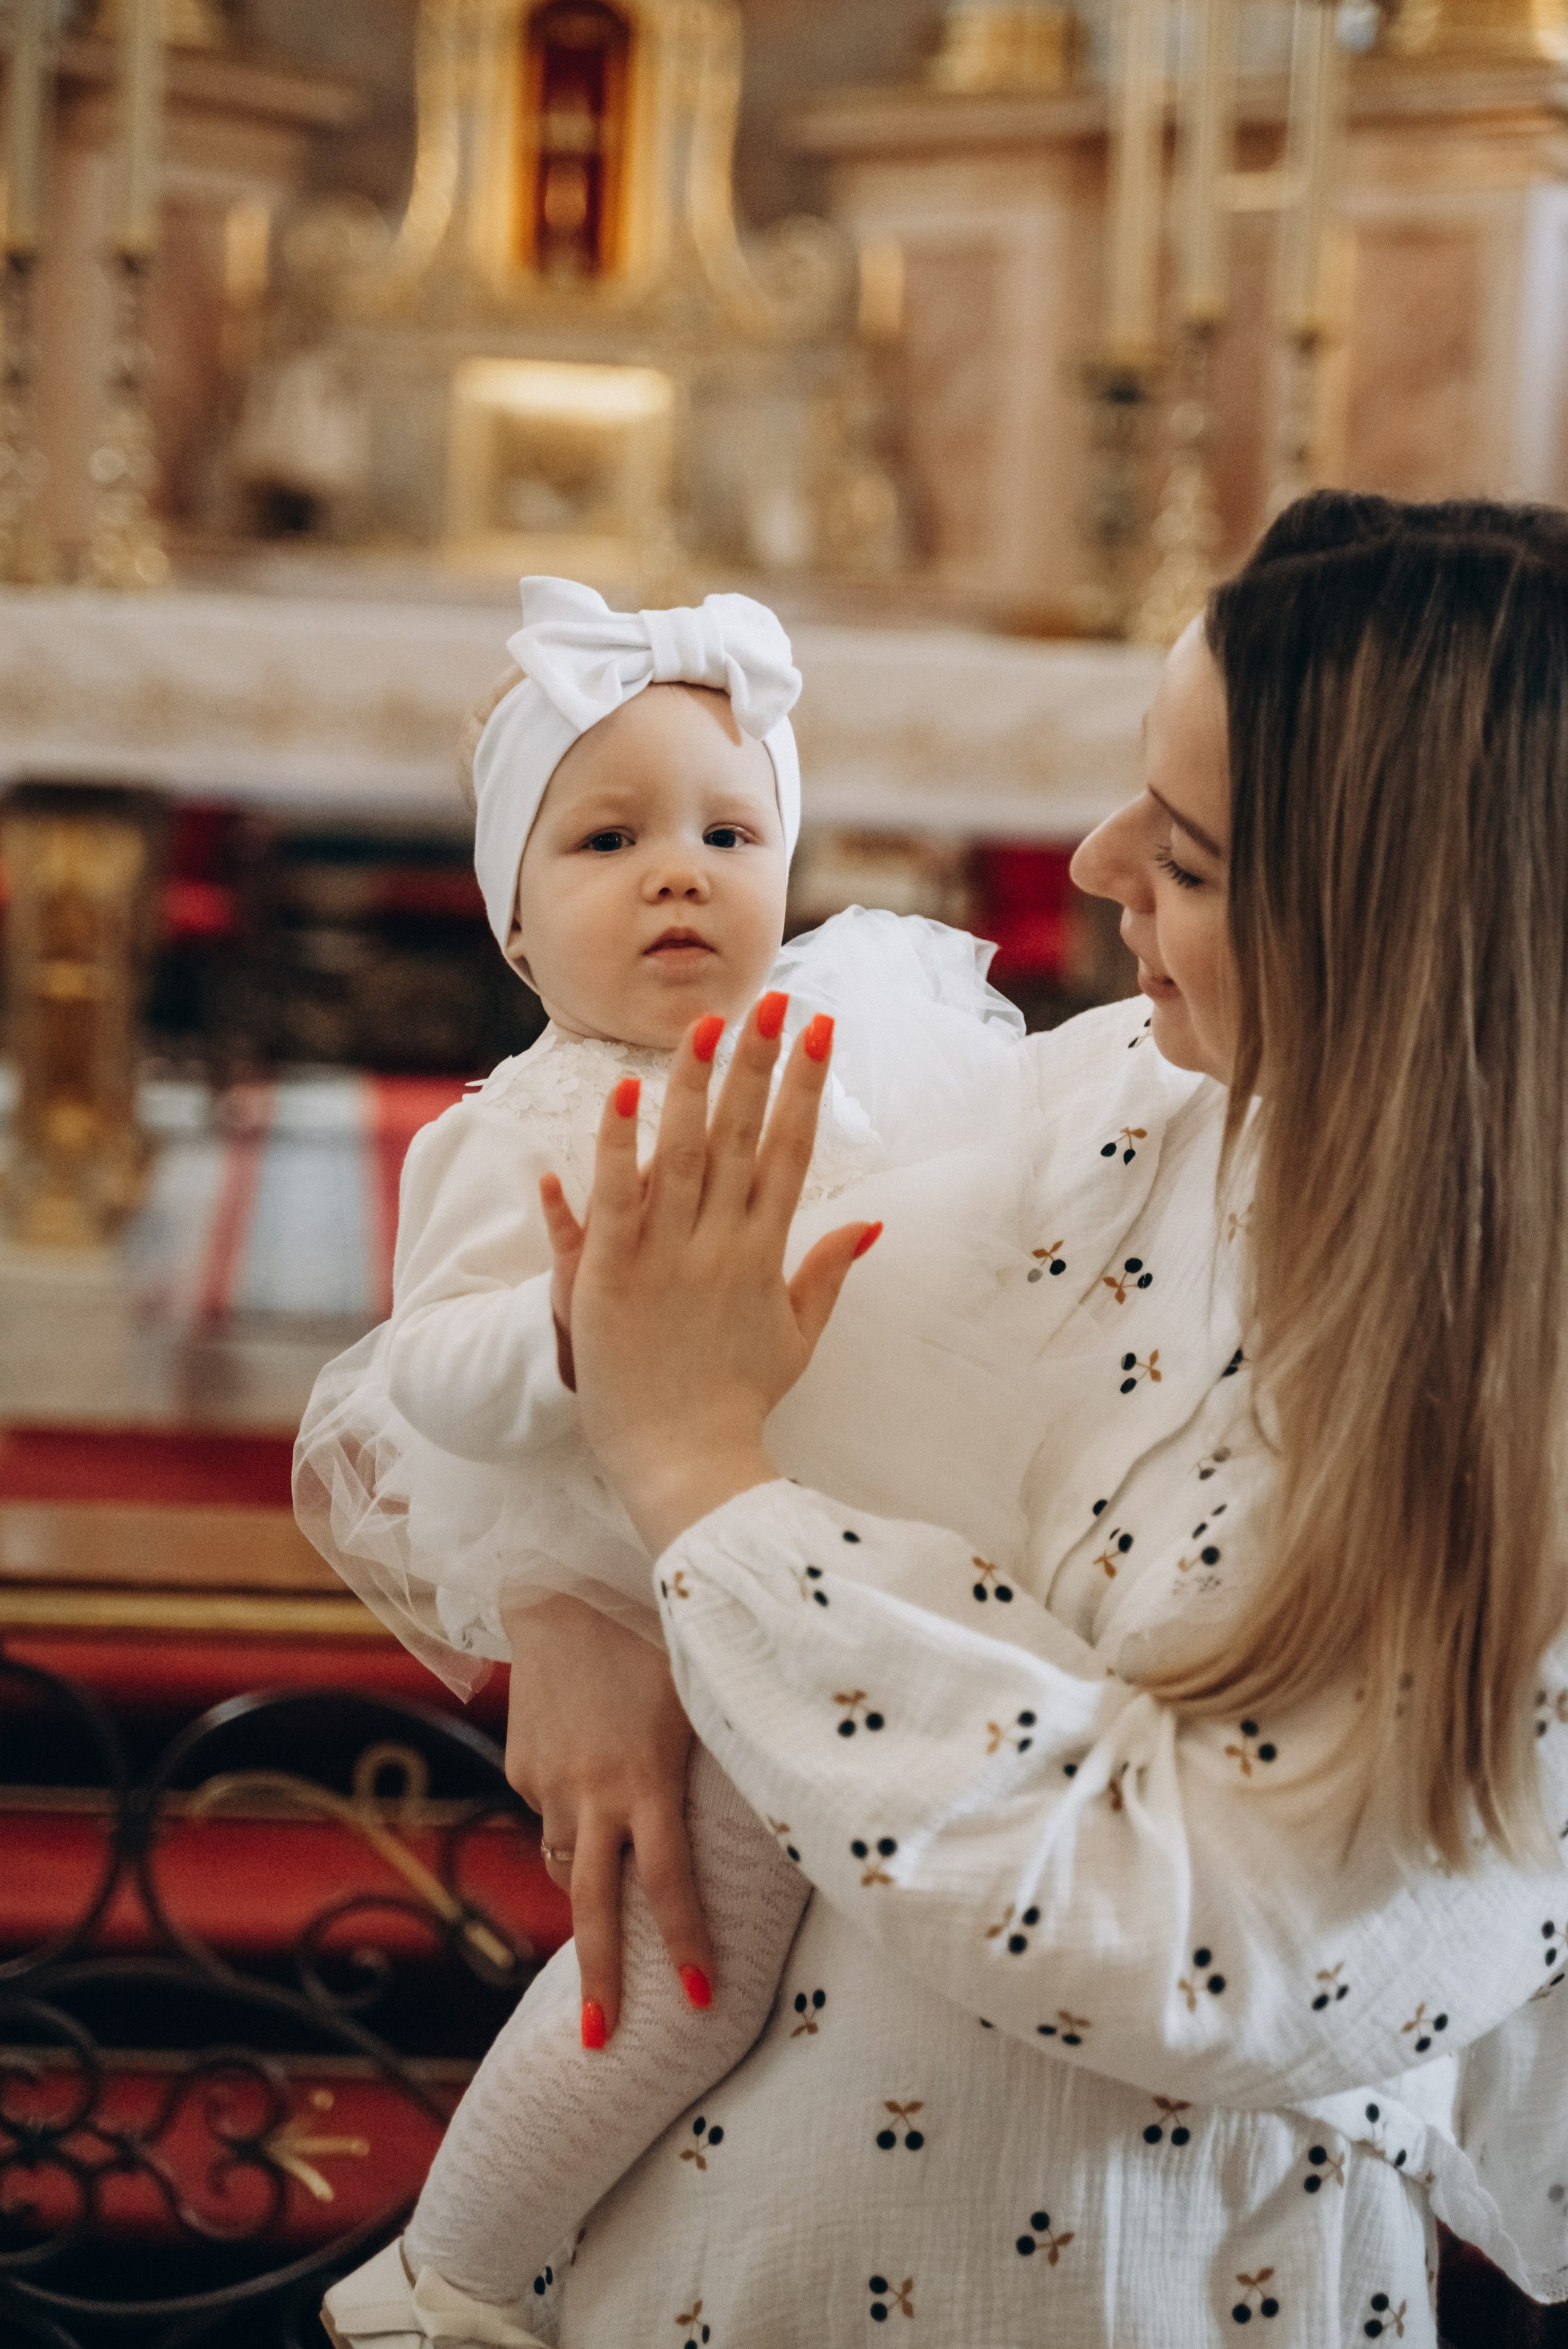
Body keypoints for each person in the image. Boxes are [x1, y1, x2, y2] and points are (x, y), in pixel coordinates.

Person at [484, 496, 1568, 2345]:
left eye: (1197, 857)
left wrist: (699, 1502)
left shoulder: (1517, 1389)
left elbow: (1212, 1944)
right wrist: (577, 1602)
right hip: (705, 2252)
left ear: (1408, 927)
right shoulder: (1129, 1094)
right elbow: (682, 1328)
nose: (1090, 861)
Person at [303, 578, 1079, 2349]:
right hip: (654, 1584)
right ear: (511, 923)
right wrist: (573, 1330)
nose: (681, 869)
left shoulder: (846, 1046)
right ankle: (446, 2274)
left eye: (732, 830)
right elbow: (425, 1361)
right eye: (608, 837)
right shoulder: (527, 1130)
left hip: (842, 1553)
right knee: (683, 1972)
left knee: (807, 1968)